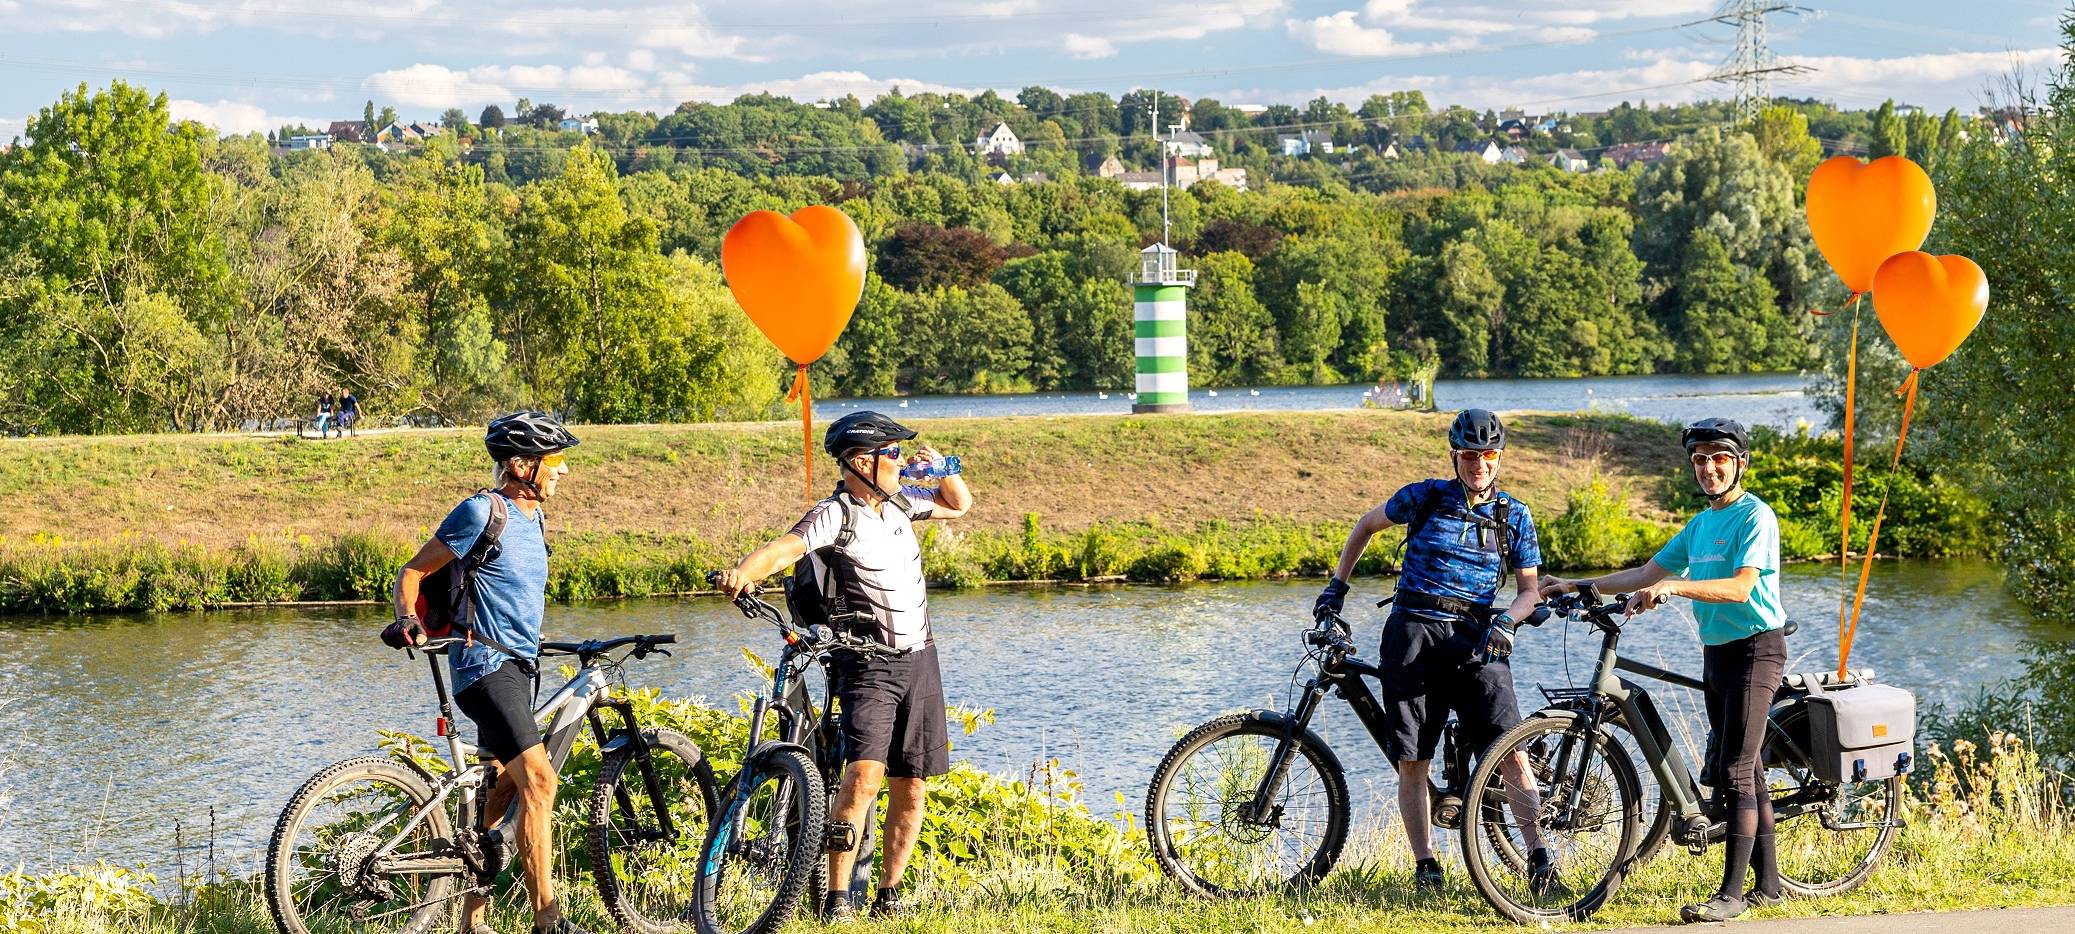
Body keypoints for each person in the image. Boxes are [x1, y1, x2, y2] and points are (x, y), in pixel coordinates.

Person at [714, 411, 971, 923]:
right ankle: (838, 900)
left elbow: (958, 505)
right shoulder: (837, 514)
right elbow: (786, 547)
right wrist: (743, 572)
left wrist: (943, 466)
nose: (900, 461)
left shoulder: (901, 502)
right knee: (862, 779)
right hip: (868, 664)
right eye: (892, 453)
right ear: (862, 462)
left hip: (920, 659)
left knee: (913, 782)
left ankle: (889, 895)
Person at [1540, 417, 1786, 923]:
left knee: (1735, 770)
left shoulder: (1754, 518)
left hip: (1757, 649)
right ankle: (1771, 886)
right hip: (1718, 650)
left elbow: (1741, 588)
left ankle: (1732, 896)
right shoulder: (1700, 525)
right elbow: (1647, 573)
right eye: (1699, 459)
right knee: (1749, 767)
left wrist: (1676, 589)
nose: (1708, 468)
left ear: (1740, 463)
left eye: (1719, 458)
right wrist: (1577, 585)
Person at [1313, 408, 1555, 893]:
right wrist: (1336, 589)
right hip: (1413, 633)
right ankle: (1426, 866)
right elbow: (1364, 526)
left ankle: (1539, 860)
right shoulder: (1423, 497)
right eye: (1470, 455)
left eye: (1488, 455)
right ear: (1455, 456)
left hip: (1477, 636)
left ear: (1500, 458)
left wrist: (1508, 619)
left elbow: (1530, 590)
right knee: (1413, 757)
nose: (1479, 464)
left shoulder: (1514, 515)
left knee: (1509, 750)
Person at [388, 411, 586, 934]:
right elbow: (412, 571)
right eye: (556, 461)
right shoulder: (483, 511)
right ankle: (549, 921)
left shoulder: (533, 519)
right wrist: (407, 618)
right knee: (541, 784)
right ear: (522, 465)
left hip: (517, 668)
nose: (562, 471)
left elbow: (511, 597)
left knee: (498, 792)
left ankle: (472, 922)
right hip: (483, 667)